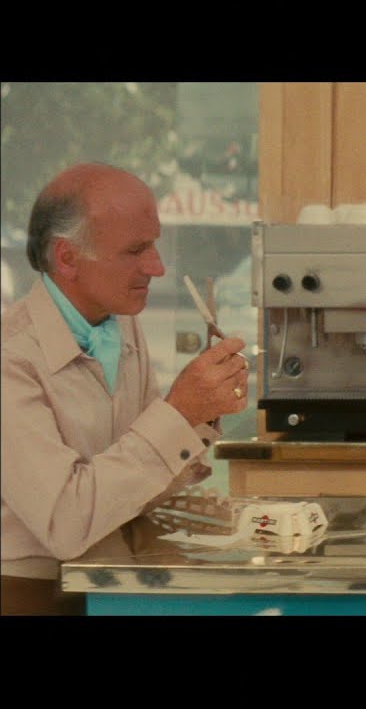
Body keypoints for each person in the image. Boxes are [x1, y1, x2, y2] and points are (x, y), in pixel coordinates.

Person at [1, 163, 250, 615]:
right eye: (136, 250)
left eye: (154, 244)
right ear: (67, 258)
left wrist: (202, 413)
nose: (157, 266)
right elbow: (66, 525)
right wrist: (179, 413)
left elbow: (139, 485)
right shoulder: (10, 359)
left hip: (112, 581)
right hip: (31, 594)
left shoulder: (121, 326)